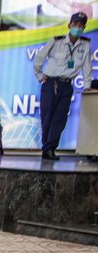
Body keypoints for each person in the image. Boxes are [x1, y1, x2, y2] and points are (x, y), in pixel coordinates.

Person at [33, 12, 93, 160]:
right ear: (69, 25)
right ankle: (47, 148)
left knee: (60, 119)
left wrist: (87, 86)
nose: (77, 27)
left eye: (81, 25)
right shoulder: (56, 41)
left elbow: (87, 67)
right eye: (75, 24)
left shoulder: (85, 45)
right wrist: (40, 76)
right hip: (50, 84)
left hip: (66, 86)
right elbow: (39, 58)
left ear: (84, 27)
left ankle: (50, 148)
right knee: (47, 117)